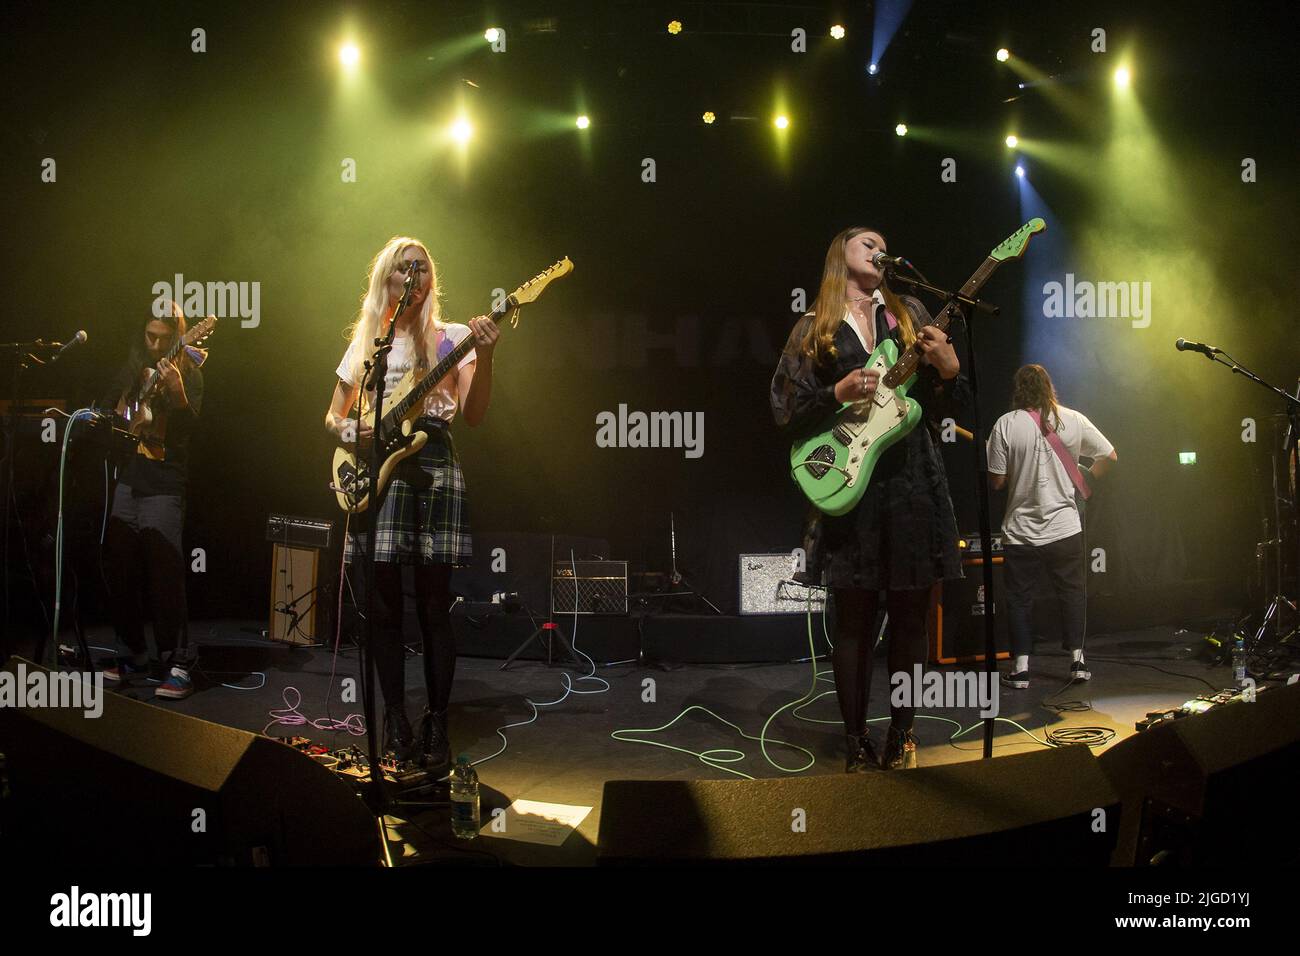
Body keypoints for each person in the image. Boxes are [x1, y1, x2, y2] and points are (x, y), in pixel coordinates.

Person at [771, 226, 968, 771]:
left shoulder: (909, 314)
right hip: (853, 489)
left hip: (913, 487)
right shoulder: (815, 329)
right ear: (842, 258)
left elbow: (947, 404)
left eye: (885, 245)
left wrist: (949, 372)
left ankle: (901, 733)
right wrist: (836, 391)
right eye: (868, 244)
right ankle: (856, 739)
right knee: (852, 621)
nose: (881, 251)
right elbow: (784, 410)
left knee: (911, 618)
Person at [324, 236, 498, 769]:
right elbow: (330, 417)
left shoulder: (452, 339)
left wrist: (486, 356)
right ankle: (395, 716)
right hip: (377, 468)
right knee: (380, 606)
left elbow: (473, 413)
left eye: (422, 269)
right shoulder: (368, 345)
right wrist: (352, 428)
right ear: (387, 280)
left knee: (432, 604)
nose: (414, 277)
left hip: (434, 460)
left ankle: (437, 722)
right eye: (404, 269)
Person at [986, 364, 1116, 688]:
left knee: (1019, 599)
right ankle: (1077, 663)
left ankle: (1021, 669)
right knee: (1072, 594)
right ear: (1049, 387)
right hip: (1065, 528)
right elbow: (1110, 455)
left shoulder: (1004, 425)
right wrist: (1086, 478)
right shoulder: (1073, 419)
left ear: (1018, 390)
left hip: (1020, 531)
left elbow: (998, 482)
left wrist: (1000, 456)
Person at [101, 301, 203, 699]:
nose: (157, 345)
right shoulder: (135, 367)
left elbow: (192, 427)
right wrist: (125, 408)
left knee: (165, 574)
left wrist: (176, 390)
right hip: (130, 479)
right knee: (119, 566)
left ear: (181, 337)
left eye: (165, 337)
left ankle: (177, 662)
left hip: (164, 482)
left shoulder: (190, 372)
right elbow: (112, 406)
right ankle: (131, 653)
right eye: (151, 336)